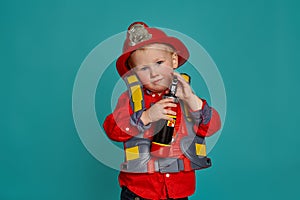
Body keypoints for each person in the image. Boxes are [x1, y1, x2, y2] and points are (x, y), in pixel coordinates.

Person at [103, 22, 221, 200]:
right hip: (140, 191)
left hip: (178, 191)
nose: (154, 73)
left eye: (159, 62)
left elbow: (213, 126)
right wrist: (146, 116)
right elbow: (112, 129)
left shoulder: (186, 95)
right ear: (134, 74)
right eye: (144, 68)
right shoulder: (132, 99)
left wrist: (192, 100)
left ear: (173, 60)